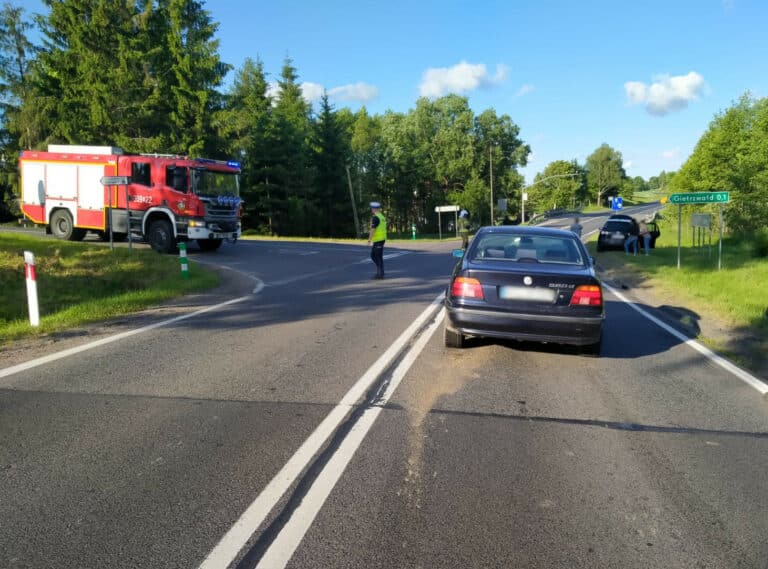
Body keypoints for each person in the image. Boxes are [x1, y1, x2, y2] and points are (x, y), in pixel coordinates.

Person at [367, 201, 387, 279]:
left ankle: (380, 274)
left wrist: (369, 240)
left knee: (376, 256)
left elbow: (372, 230)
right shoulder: (382, 216)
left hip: (379, 240)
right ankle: (381, 271)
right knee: (376, 256)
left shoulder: (376, 218)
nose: (371, 210)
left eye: (372, 208)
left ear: (374, 209)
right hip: (381, 239)